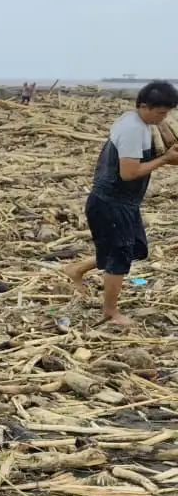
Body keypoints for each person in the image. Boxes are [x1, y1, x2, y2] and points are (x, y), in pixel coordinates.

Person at [61, 81, 178, 325]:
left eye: (167, 113)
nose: (164, 117)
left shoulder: (142, 121)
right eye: (161, 112)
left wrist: (165, 128)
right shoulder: (133, 130)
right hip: (111, 201)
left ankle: (78, 269)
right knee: (120, 256)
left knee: (133, 247)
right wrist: (166, 159)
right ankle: (110, 312)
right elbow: (130, 172)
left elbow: (170, 147)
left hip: (124, 202)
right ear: (144, 106)